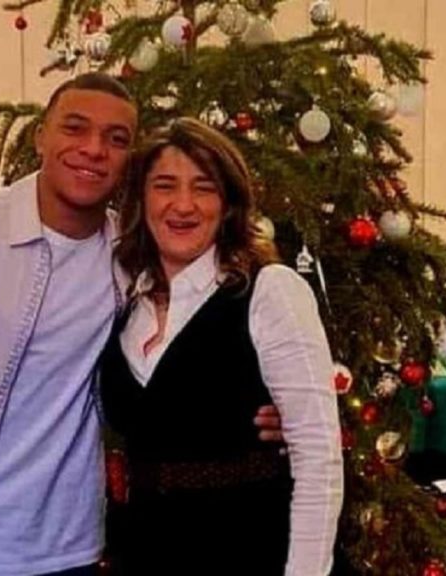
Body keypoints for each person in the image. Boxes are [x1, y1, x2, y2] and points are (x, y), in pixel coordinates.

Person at [0, 74, 282, 576]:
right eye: (75, 128)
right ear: (40, 137)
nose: (93, 149)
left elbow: (199, 344)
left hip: (74, 549)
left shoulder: (133, 258)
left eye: (116, 139)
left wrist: (281, 412)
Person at [99, 118, 344, 575]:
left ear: (228, 203)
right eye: (165, 186)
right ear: (141, 199)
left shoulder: (269, 291)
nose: (183, 205)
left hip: (248, 549)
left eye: (204, 187)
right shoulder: (125, 300)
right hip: (143, 552)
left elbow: (317, 457)